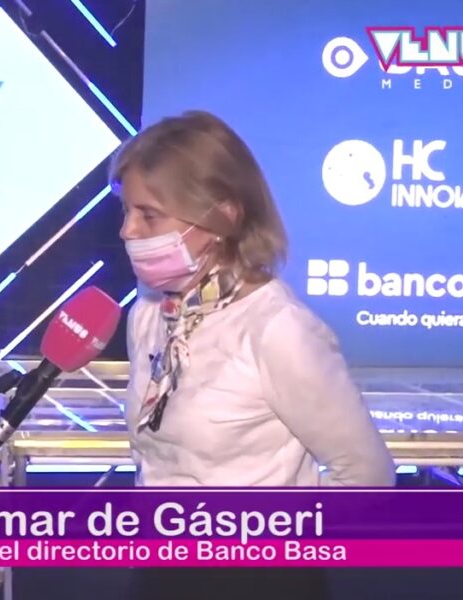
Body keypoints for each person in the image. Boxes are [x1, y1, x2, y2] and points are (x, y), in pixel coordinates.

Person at [114, 111, 395, 599]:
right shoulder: (149, 313)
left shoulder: (278, 329)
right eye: (125, 211)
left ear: (221, 215)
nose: (127, 230)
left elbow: (368, 476)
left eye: (148, 214)